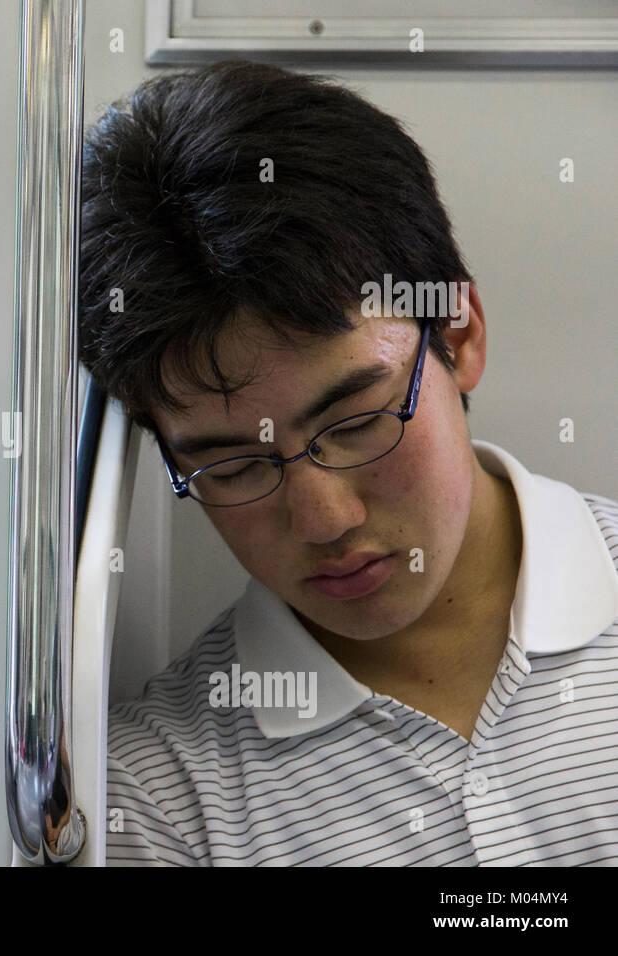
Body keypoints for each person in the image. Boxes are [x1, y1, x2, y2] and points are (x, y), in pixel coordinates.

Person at [80, 59, 618, 865]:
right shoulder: (156, 802)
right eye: (233, 468)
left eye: (358, 421)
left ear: (459, 336)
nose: (326, 520)